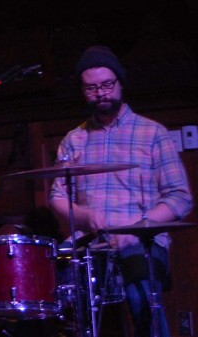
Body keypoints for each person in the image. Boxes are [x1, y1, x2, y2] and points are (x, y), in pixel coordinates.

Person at [49, 45, 193, 337]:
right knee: (56, 291)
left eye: (106, 85)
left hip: (143, 240)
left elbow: (180, 197)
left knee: (141, 298)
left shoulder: (152, 133)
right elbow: (57, 196)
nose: (101, 93)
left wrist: (136, 230)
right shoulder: (73, 140)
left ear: (120, 83)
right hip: (90, 242)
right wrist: (84, 214)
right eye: (91, 88)